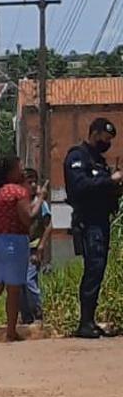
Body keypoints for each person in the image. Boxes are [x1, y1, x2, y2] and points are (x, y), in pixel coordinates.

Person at [0, 157, 47, 342]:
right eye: (19, 167)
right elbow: (29, 217)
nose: (23, 170)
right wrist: (40, 198)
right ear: (10, 172)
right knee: (13, 289)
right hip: (16, 242)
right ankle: (11, 330)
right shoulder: (18, 192)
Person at [64, 117, 123, 338]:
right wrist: (110, 181)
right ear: (95, 133)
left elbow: (103, 190)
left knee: (98, 271)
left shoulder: (99, 160)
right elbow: (80, 187)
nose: (107, 143)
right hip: (88, 223)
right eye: (105, 138)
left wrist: (117, 187)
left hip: (101, 221)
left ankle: (90, 320)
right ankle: (84, 323)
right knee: (93, 269)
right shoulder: (77, 157)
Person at [20, 168, 52, 324]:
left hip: (33, 249)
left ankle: (38, 313)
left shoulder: (40, 204)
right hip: (20, 249)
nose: (33, 185)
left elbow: (48, 225)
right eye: (29, 182)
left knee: (29, 281)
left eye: (35, 182)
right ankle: (26, 317)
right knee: (19, 284)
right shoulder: (21, 203)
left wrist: (41, 247)